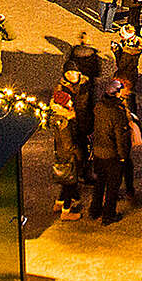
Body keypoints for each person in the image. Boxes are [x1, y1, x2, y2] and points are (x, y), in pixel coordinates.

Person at [87, 77, 134, 224]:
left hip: (98, 152)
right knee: (113, 186)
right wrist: (122, 156)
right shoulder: (116, 112)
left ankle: (94, 210)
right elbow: (120, 136)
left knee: (100, 183)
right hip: (112, 154)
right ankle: (108, 215)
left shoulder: (99, 107)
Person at [50, 80, 84, 220]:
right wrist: (78, 152)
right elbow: (68, 144)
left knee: (66, 181)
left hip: (61, 155)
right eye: (69, 102)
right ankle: (66, 211)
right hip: (68, 156)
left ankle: (59, 203)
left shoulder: (58, 117)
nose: (71, 104)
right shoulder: (64, 121)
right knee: (70, 183)